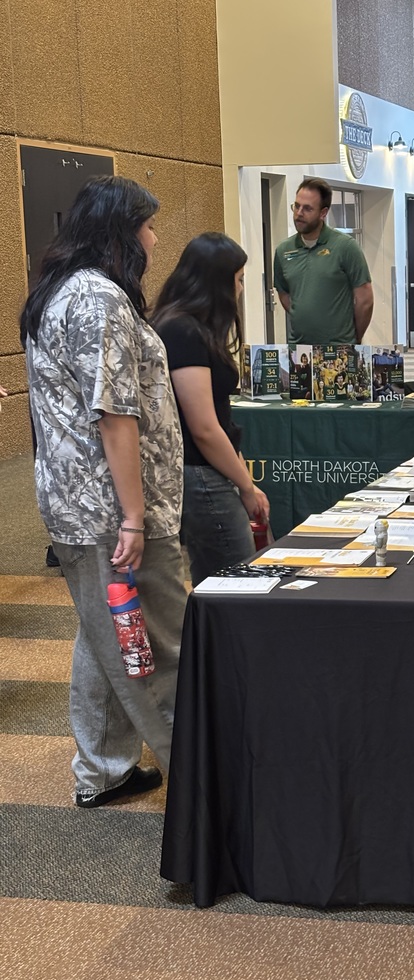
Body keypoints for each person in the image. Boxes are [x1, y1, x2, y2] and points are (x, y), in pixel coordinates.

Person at [21, 175, 188, 808]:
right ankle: (199, 779)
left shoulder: (58, 293)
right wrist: (135, 518)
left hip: (79, 510)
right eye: (146, 226)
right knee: (156, 649)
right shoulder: (99, 301)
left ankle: (104, 769)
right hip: (111, 516)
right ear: (120, 233)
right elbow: (115, 414)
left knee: (102, 634)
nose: (154, 238)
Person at [152, 232, 270, 586]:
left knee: (220, 577)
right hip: (200, 473)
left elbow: (218, 416)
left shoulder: (192, 327)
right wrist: (246, 486)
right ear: (217, 283)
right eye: (238, 280)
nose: (241, 289)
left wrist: (243, 478)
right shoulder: (182, 331)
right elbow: (203, 427)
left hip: (208, 470)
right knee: (238, 578)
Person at [274, 177, 373, 345]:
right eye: (296, 206)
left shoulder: (345, 247)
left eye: (307, 209)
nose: (299, 213)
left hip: (339, 348)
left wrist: (353, 339)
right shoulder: (283, 251)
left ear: (323, 213)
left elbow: (365, 299)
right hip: (299, 348)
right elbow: (284, 293)